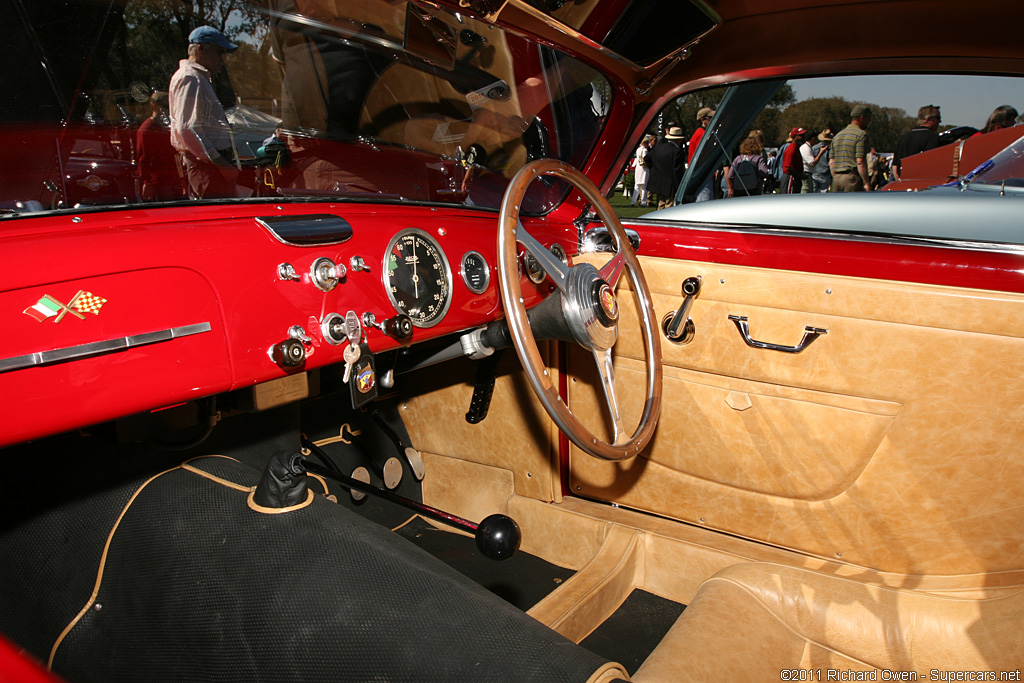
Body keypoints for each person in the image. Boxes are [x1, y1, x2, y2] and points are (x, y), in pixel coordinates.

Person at [169, 26, 240, 199]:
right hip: (208, 168)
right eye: (218, 52)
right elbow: (187, 129)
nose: (222, 60)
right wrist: (221, 164)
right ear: (200, 49)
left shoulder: (196, 77)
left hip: (209, 165)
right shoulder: (191, 78)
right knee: (219, 218)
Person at [136, 91, 183, 201]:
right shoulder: (147, 129)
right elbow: (143, 157)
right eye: (165, 106)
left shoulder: (168, 126)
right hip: (158, 182)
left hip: (173, 179)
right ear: (154, 106)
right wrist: (146, 182)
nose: (168, 109)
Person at [829, 104, 873, 192]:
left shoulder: (837, 136)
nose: (869, 121)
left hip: (836, 178)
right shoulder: (861, 135)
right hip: (851, 179)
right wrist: (867, 183)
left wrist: (835, 176)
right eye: (868, 118)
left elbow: (831, 162)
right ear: (862, 117)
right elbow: (860, 161)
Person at [892, 104, 941, 180]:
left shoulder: (904, 137)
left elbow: (895, 165)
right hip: (921, 182)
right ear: (928, 120)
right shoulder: (932, 137)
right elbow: (932, 164)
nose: (940, 121)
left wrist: (900, 182)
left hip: (903, 183)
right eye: (938, 118)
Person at [647, 126, 686, 210]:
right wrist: (679, 184)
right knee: (669, 205)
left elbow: (647, 158)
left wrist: (654, 168)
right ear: (679, 139)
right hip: (670, 182)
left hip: (658, 180)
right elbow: (677, 170)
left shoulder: (658, 148)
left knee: (661, 203)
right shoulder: (677, 151)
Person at [728, 132, 772, 197]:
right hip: (753, 188)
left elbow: (730, 175)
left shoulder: (738, 158)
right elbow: (764, 173)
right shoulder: (758, 158)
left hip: (739, 188)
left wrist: (731, 187)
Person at [689, 107, 715, 202]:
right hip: (702, 174)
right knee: (705, 203)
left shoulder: (701, 132)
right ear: (702, 120)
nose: (714, 120)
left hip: (701, 173)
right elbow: (702, 155)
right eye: (710, 118)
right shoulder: (702, 134)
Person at [780, 127, 807, 194]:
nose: (803, 137)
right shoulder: (792, 149)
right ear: (794, 137)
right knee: (789, 200)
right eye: (800, 135)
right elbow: (788, 167)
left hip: (794, 178)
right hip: (790, 178)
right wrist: (800, 176)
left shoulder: (795, 148)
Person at [631, 135, 653, 206]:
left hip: (638, 167)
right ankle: (643, 202)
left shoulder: (638, 149)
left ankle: (633, 201)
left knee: (637, 185)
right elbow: (645, 159)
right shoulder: (645, 150)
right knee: (644, 186)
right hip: (644, 168)